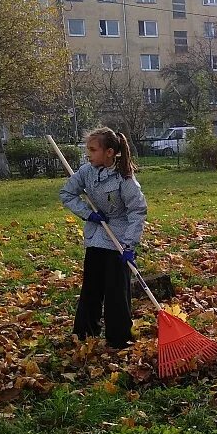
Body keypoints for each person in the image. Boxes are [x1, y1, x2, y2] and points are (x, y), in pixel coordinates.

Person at [59, 127, 148, 348]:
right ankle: (84, 333)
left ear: (109, 152)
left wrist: (129, 245)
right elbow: (67, 194)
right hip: (97, 235)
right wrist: (88, 213)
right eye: (87, 149)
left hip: (119, 239)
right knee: (91, 287)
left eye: (92, 149)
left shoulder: (124, 179)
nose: (87, 154)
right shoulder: (87, 172)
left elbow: (137, 211)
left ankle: (118, 338)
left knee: (117, 291)